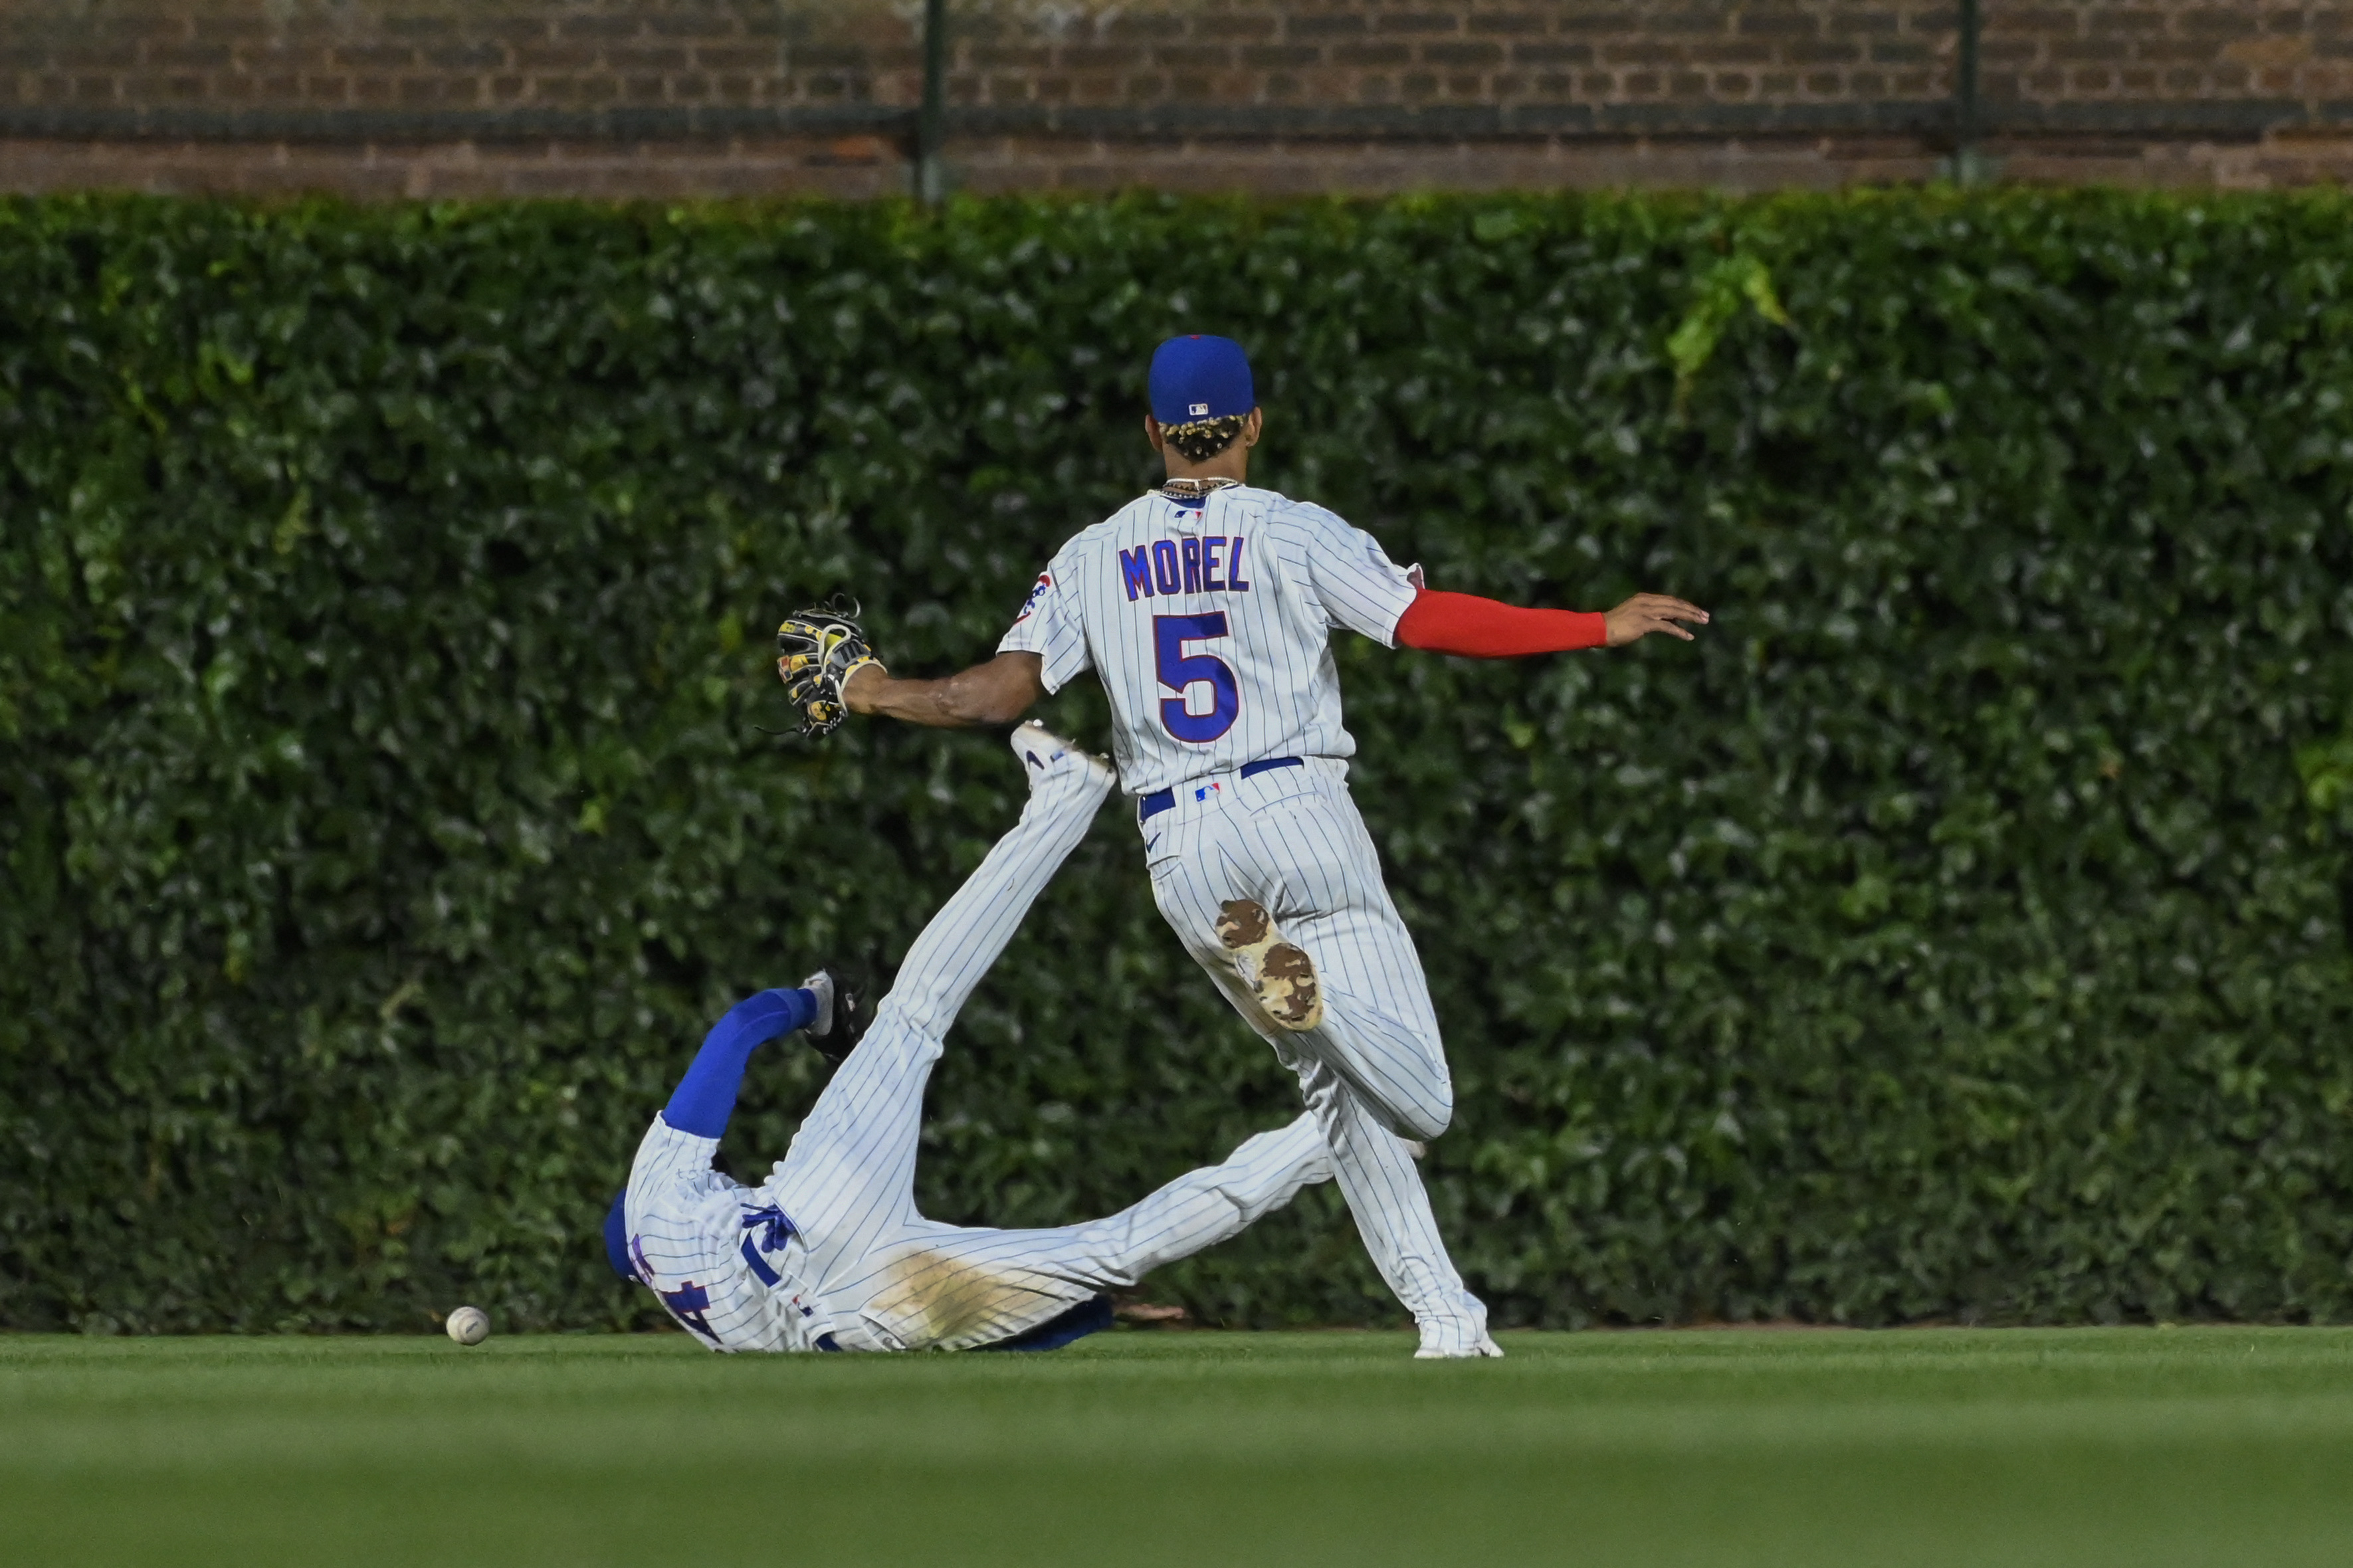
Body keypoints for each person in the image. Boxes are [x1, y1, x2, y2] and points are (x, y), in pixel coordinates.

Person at [806, 335, 1707, 1358]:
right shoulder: (1292, 530)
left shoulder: (1093, 553)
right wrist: (1595, 625)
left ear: (1153, 433)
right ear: (1254, 424)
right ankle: (1313, 998)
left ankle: (1450, 1324)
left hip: (1185, 850)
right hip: (1298, 809)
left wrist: (867, 688)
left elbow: (993, 697)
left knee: (1333, 1088)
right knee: (1424, 1102)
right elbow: (1426, 621)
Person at [603, 723, 1332, 1353]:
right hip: (816, 1209)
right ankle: (1064, 799)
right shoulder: (654, 1199)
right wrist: (813, 1003)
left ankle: (1341, 1136)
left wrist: (1080, 1305)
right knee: (913, 1014)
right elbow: (737, 1028)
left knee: (1110, 1251)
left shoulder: (698, 1320)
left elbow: (963, 1329)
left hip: (873, 1312)